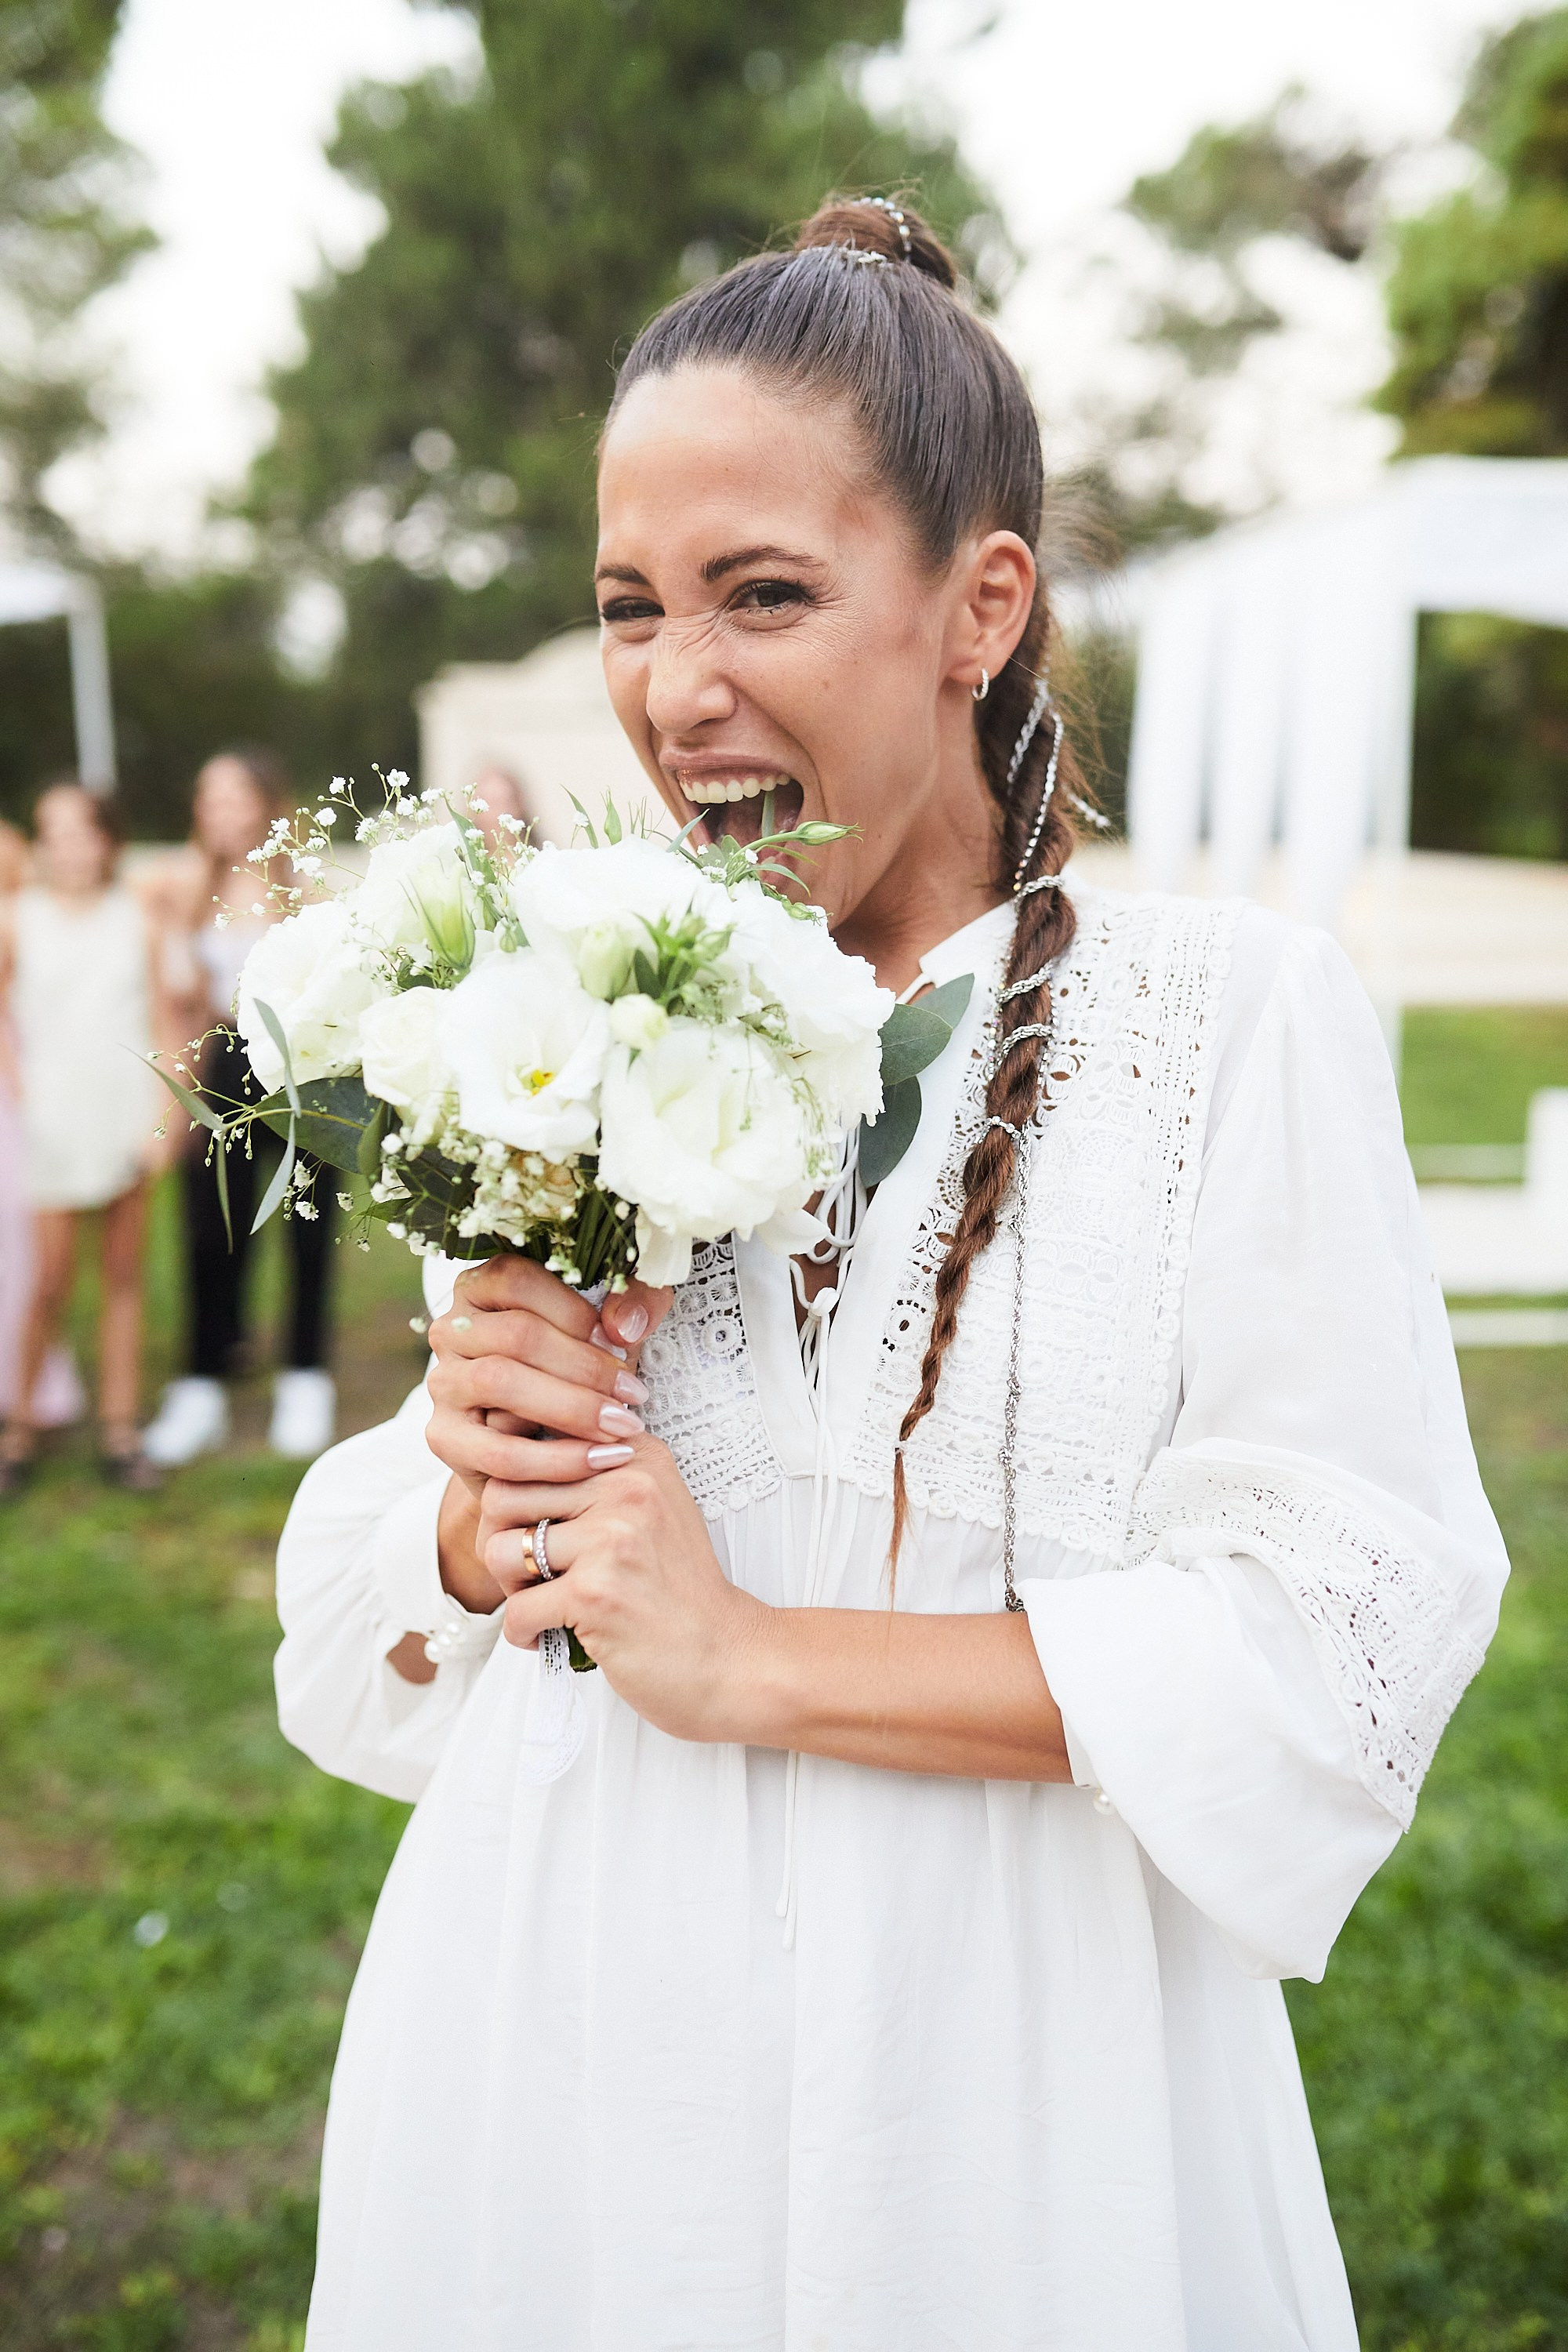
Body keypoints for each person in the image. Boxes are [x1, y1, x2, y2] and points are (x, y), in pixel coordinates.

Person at [274, 199, 1508, 2349]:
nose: (677, 687)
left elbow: (1342, 1634)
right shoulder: (580, 1008)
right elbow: (358, 1614)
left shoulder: (1230, 1019)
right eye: (630, 607)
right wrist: (475, 1514)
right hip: (561, 2076)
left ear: (981, 608)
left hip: (1018, 2117)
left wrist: (754, 1662)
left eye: (765, 594)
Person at [143, 748, 339, 1465]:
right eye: (208, 798)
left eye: (233, 798)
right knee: (208, 1229)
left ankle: (306, 1375)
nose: (220, 812)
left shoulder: (304, 888)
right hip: (219, 1065)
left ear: (264, 804)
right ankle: (202, 1380)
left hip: (299, 1069)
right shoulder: (186, 890)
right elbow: (181, 1004)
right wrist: (177, 1096)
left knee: (308, 1228)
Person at [0, 783, 167, 1493]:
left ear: (106, 838)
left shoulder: (138, 918)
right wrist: (22, 1097)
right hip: (53, 1122)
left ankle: (120, 1428)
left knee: (124, 1277)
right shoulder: (17, 918)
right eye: (52, 832)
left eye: (80, 830)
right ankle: (21, 1427)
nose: (66, 846)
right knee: (49, 1281)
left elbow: (161, 1023)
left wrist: (160, 1119)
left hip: (121, 1110)